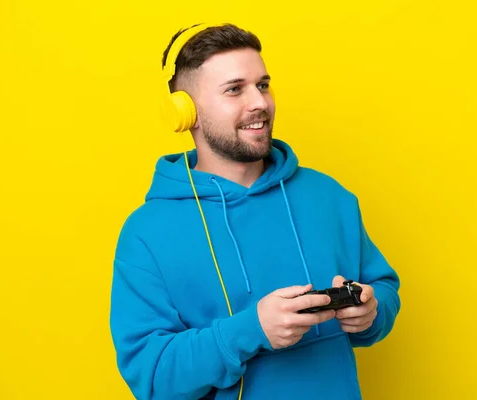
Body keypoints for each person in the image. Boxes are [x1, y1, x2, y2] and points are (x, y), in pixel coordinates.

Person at [109, 22, 401, 400]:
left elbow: (383, 288)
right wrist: (251, 330)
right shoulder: (146, 234)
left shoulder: (328, 195)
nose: (259, 102)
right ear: (186, 111)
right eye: (235, 89)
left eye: (262, 85)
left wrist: (372, 313)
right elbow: (152, 378)